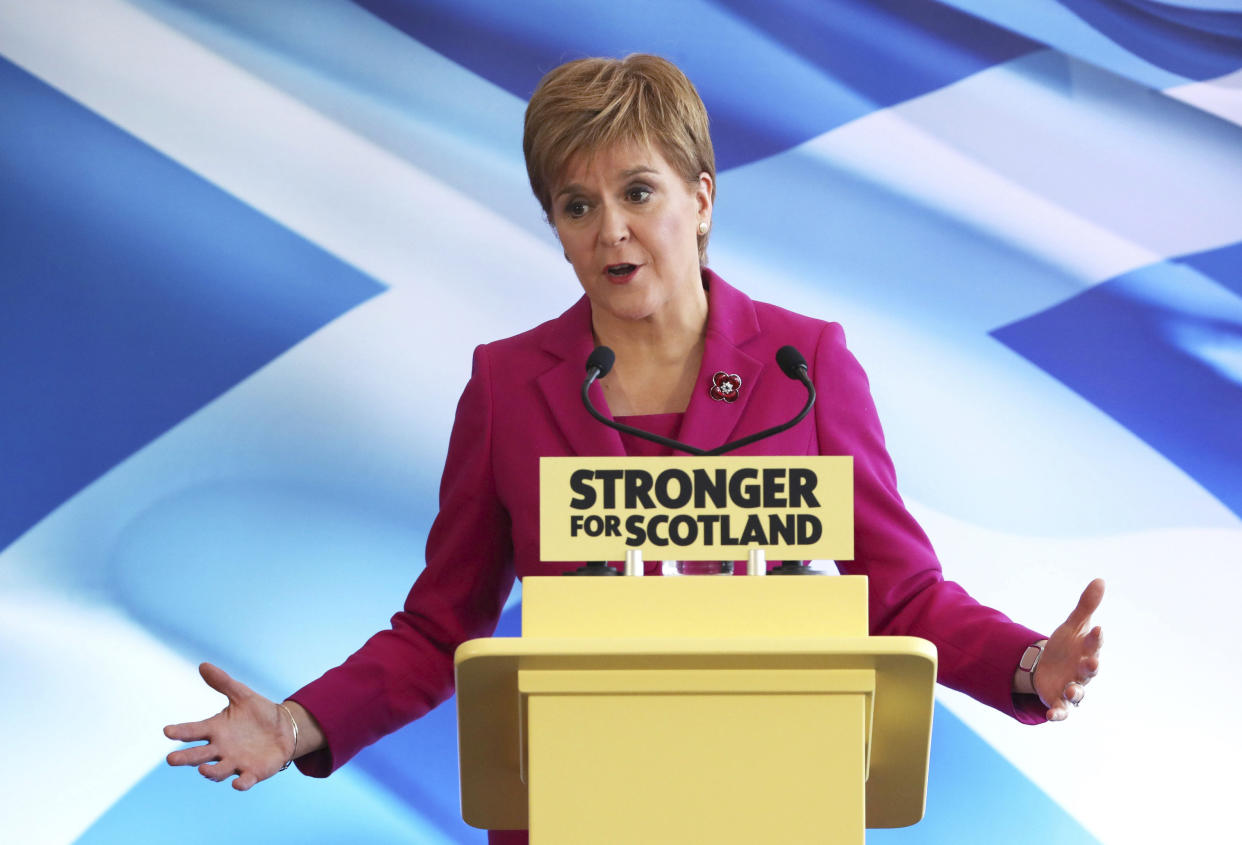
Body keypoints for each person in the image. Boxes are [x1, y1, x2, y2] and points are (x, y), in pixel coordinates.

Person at [164, 55, 1104, 841]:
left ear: (699, 200)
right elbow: (441, 629)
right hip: (571, 804)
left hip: (769, 796)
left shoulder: (803, 367)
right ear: (557, 232)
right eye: (576, 205)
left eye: (637, 191)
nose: (610, 227)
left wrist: (1030, 666)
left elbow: (900, 593)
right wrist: (296, 724)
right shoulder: (507, 385)